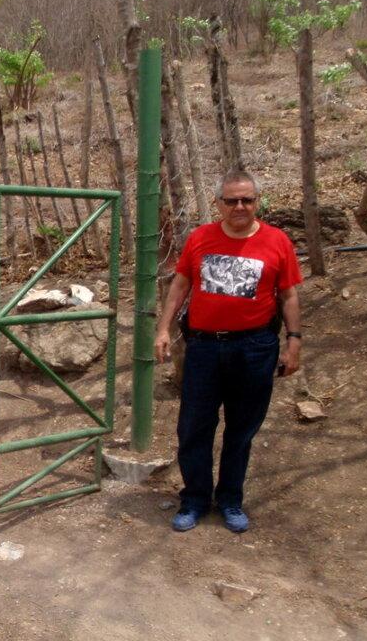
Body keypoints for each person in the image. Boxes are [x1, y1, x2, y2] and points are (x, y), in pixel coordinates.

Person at [154, 169, 302, 533]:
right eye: (232, 200)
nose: (239, 206)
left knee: (241, 430)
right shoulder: (201, 238)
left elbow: (289, 295)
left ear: (257, 202)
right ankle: (195, 500)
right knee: (194, 427)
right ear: (218, 203)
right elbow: (181, 285)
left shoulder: (277, 241)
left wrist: (294, 342)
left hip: (255, 348)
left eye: (247, 200)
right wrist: (163, 329)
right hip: (204, 347)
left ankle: (231, 500)